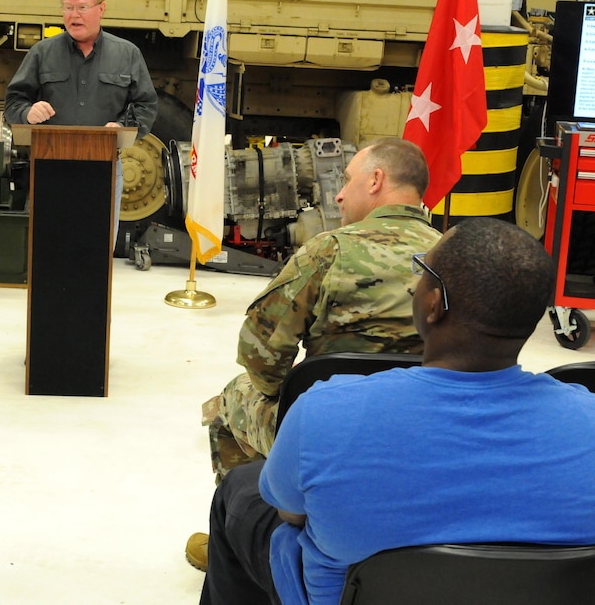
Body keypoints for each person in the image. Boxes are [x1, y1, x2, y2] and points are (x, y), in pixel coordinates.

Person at [201, 218, 595, 605]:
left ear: (433, 303)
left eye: (421, 269)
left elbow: (289, 513)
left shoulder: (326, 412)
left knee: (240, 488)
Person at [187, 138, 442, 570]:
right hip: (429, 430)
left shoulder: (329, 251)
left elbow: (262, 359)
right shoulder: (455, 257)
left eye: (347, 181)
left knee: (231, 401)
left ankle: (241, 541)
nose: (339, 194)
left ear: (376, 180)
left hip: (333, 433)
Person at [3, 0, 158, 235]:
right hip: (50, 168)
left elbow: (146, 105)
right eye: (68, 7)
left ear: (101, 8)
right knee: (46, 246)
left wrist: (121, 127)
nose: (74, 15)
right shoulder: (42, 53)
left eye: (82, 7)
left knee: (96, 250)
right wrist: (28, 112)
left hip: (104, 169)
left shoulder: (127, 54)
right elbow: (13, 101)